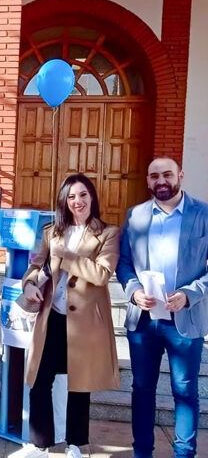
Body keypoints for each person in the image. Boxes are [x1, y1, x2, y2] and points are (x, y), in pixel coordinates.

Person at [9, 174, 120, 458]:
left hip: (85, 322)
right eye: (71, 196)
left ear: (92, 197)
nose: (77, 201)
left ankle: (75, 445)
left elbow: (101, 274)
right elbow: (35, 267)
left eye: (83, 195)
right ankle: (39, 444)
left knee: (79, 384)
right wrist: (30, 284)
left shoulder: (107, 233)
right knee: (40, 379)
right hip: (52, 316)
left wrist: (68, 257)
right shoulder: (51, 231)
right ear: (64, 201)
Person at [116, 158, 208, 458]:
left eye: (167, 174)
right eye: (154, 176)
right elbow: (124, 264)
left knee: (185, 392)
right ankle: (142, 452)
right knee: (142, 390)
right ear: (147, 180)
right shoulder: (135, 216)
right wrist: (133, 291)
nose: (161, 181)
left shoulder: (203, 214)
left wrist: (190, 294)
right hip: (143, 321)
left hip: (185, 319)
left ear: (180, 175)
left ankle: (185, 454)